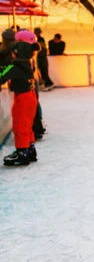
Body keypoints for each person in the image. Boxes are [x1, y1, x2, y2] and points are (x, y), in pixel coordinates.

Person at [0, 30, 39, 166]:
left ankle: (22, 152)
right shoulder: (27, 63)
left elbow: (1, 76)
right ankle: (30, 149)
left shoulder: (14, 67)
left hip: (23, 98)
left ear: (15, 53)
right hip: (30, 96)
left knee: (20, 125)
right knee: (27, 125)